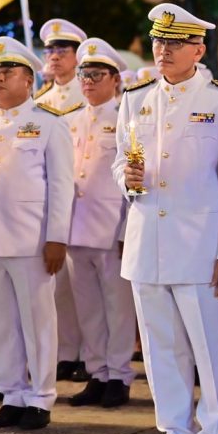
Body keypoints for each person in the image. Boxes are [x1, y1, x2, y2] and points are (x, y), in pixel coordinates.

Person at [114, 3, 218, 434]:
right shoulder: (136, 98)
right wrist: (127, 179)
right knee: (160, 347)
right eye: (159, 41)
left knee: (210, 348)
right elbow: (120, 161)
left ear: (199, 49)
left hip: (200, 247)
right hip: (147, 241)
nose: (164, 50)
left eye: (175, 43)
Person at [0, 37, 73, 431]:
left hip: (32, 240)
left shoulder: (48, 123)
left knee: (37, 321)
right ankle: (11, 394)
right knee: (0, 322)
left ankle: (41, 397)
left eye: (7, 71)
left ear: (28, 80)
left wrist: (57, 237)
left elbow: (61, 186)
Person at [63, 38, 137, 409]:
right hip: (76, 228)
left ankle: (119, 376)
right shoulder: (70, 119)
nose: (88, 82)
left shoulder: (126, 117)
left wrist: (126, 231)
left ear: (114, 79)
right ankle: (97, 373)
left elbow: (132, 180)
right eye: (84, 75)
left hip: (111, 229)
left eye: (96, 75)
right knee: (88, 308)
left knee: (117, 308)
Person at [36, 19, 88, 382]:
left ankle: (88, 355)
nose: (54, 56)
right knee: (59, 287)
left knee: (85, 286)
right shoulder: (40, 102)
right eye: (50, 50)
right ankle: (67, 352)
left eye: (62, 50)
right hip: (50, 203)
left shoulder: (87, 95)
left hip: (84, 204)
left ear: (77, 56)